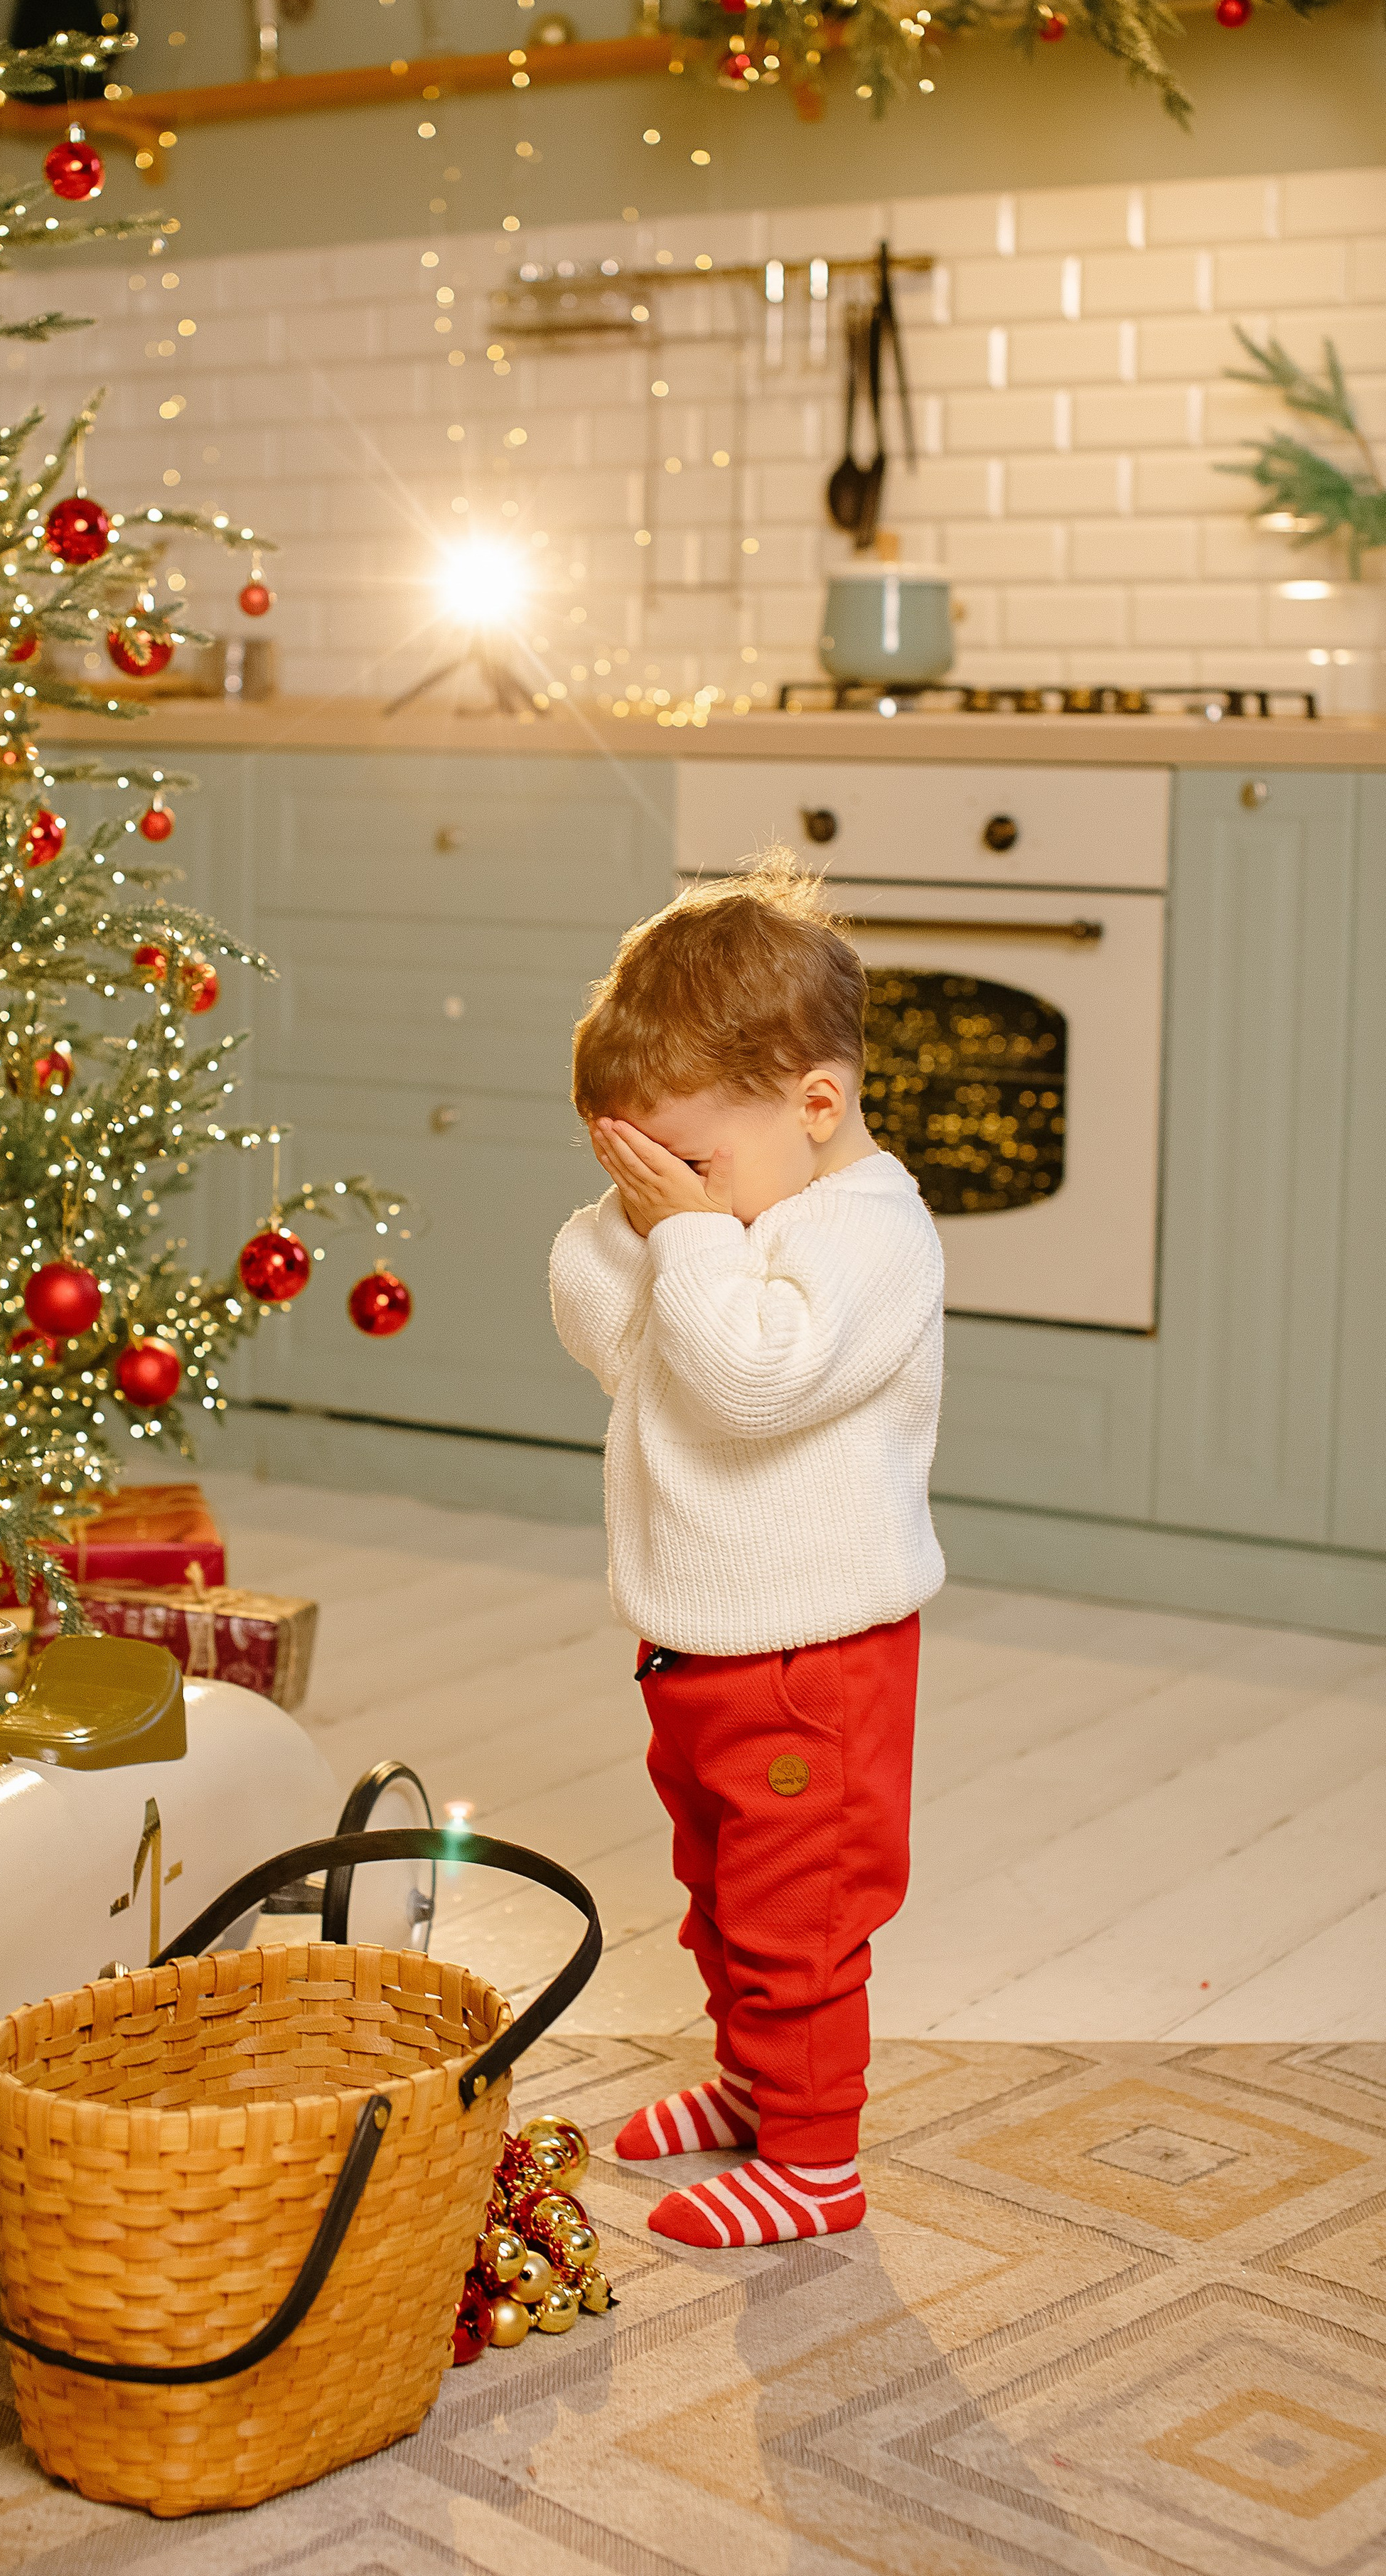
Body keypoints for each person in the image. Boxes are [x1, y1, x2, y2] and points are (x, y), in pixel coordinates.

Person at [548, 848, 943, 2248]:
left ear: (815, 1107)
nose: (664, 1196)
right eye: (634, 1165)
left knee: (797, 1917)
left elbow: (750, 1380)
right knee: (720, 1897)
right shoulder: (719, 1221)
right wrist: (653, 1217)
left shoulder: (870, 1238)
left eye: (688, 1160)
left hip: (810, 1665)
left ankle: (815, 2163)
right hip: (702, 1650)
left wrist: (690, 1238)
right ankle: (754, 2084)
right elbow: (615, 1336)